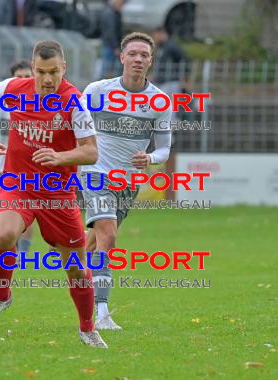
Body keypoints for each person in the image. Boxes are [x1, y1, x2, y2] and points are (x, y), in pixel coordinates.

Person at [0, 40, 108, 348]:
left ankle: (87, 327)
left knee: (75, 266)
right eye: (41, 72)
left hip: (58, 194)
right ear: (32, 68)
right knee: (5, 234)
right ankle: (1, 296)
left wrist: (59, 158)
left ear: (64, 68)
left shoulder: (75, 102)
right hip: (18, 184)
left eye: (54, 72)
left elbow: (91, 152)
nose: (48, 79)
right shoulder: (13, 88)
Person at [81, 32, 172, 330]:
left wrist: (150, 159)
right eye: (132, 53)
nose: (137, 59)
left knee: (93, 243)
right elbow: (74, 124)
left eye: (143, 55)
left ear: (150, 61)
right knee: (109, 237)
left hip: (129, 182)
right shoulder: (97, 91)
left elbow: (163, 148)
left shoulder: (159, 101)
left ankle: (72, 265)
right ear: (121, 57)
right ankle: (102, 314)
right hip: (95, 173)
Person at [0, 60, 35, 257]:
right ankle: (12, 249)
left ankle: (23, 252)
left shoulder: (42, 100)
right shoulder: (5, 102)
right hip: (7, 163)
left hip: (34, 165)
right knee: (9, 209)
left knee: (29, 209)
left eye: (28, 76)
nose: (24, 80)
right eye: (20, 77)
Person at [150, 26, 189, 121]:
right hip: (163, 81)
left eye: (156, 35)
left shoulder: (172, 46)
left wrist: (184, 78)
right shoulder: (162, 47)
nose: (154, 38)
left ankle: (170, 130)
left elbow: (185, 59)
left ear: (161, 34)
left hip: (171, 81)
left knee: (169, 108)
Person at [100, 0, 124, 79]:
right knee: (107, 67)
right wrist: (115, 47)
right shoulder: (111, 14)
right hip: (110, 46)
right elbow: (111, 32)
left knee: (107, 67)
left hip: (109, 45)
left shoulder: (113, 13)